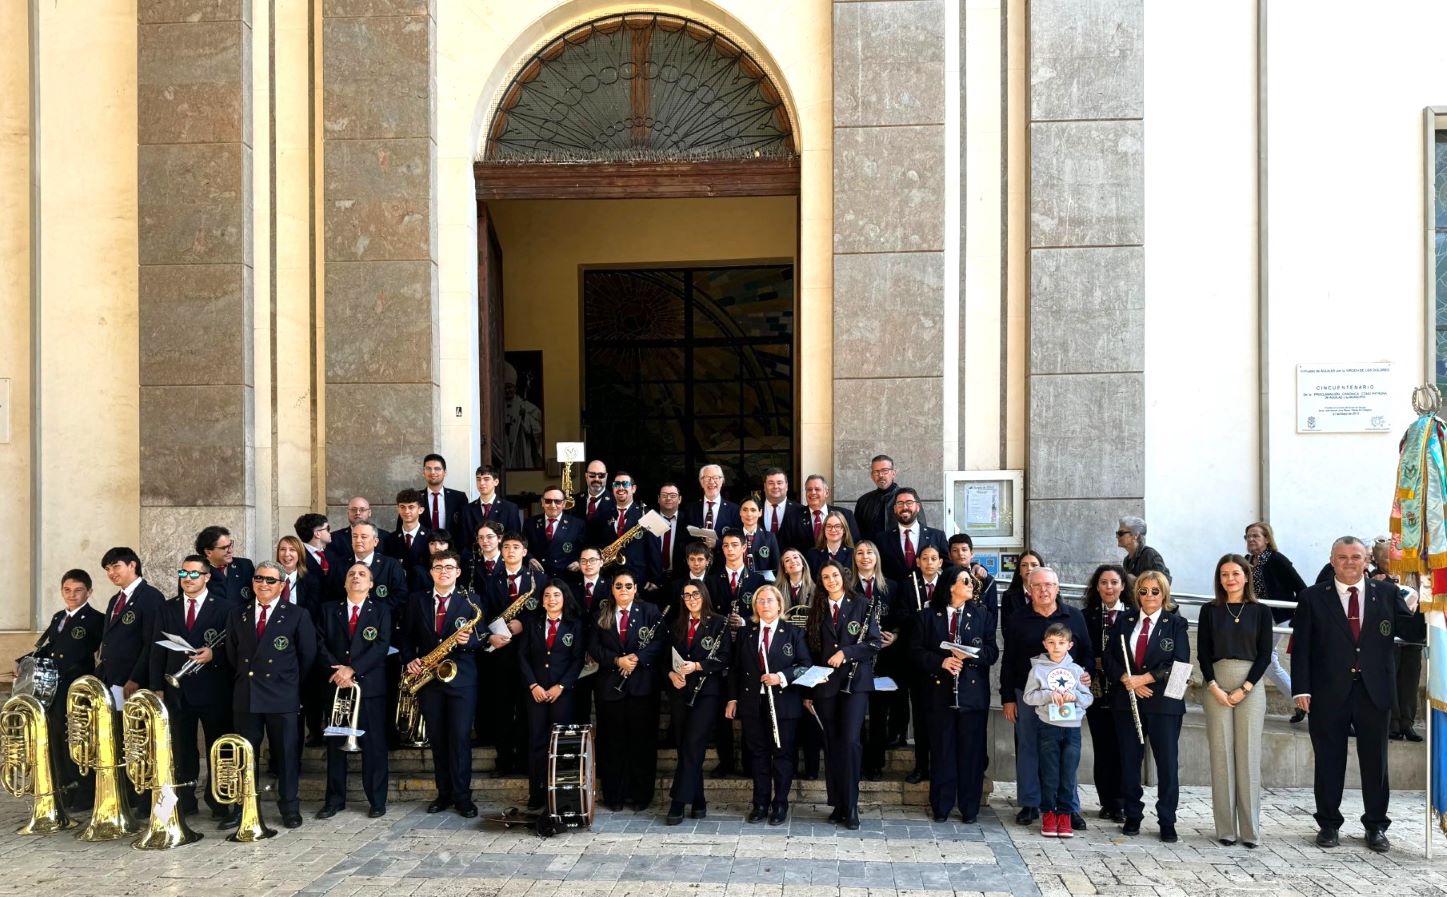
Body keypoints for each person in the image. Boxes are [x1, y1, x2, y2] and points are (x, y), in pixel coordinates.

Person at [1292, 536, 1419, 853]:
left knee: (1376, 764)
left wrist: (1430, 609)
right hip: (1326, 692)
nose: (1350, 562)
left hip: (1374, 692)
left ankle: (1376, 826)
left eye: (1356, 556)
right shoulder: (1312, 597)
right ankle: (1328, 824)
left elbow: (1412, 631)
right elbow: (1302, 647)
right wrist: (1301, 689)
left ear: (1367, 561)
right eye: (1343, 556)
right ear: (1332, 560)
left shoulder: (1388, 593)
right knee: (1328, 761)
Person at [224, 559, 317, 829]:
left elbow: (306, 656)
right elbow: (233, 653)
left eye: (270, 580)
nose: (263, 584)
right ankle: (243, 807)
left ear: (282, 585)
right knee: (245, 755)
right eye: (258, 579)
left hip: (282, 694)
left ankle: (289, 807)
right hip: (247, 694)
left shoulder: (297, 615)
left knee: (286, 754)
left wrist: (290, 686)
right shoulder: (237, 614)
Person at [1001, 566, 1092, 829]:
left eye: (1049, 585)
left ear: (1057, 587)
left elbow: (1086, 653)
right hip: (1029, 695)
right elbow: (1008, 660)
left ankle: (1069, 808)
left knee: (1066, 752)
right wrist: (1008, 697)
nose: (1043, 590)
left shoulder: (1073, 617)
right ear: (1028, 590)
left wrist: (1085, 676)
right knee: (1029, 747)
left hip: (1065, 697)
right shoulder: (1018, 618)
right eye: (1037, 586)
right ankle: (1030, 803)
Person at [1105, 570, 1189, 842]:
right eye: (1143, 591)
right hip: (1127, 701)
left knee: (1167, 765)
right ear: (1136, 593)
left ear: (1164, 594)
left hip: (1163, 704)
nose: (1149, 596)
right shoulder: (1125, 620)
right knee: (1129, 762)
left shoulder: (1175, 623)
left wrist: (1145, 679)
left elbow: (1181, 663)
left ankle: (1167, 820)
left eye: (1155, 591)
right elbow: (1109, 658)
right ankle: (1132, 815)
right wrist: (1127, 679)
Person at [1198, 554, 1274, 847]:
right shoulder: (1210, 611)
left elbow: (1265, 654)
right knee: (1221, 755)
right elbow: (1203, 653)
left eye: (1235, 573)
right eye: (1224, 574)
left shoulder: (1261, 612)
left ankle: (1251, 830)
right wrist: (1213, 685)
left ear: (1246, 576)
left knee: (1248, 755)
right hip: (1216, 680)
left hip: (1250, 684)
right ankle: (1226, 829)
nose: (1230, 579)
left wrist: (1246, 687)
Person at [149, 555, 232, 820]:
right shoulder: (167, 608)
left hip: (213, 690)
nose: (188, 578)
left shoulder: (225, 607)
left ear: (207, 576)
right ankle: (186, 801)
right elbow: (155, 649)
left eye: (194, 574)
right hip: (177, 690)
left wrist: (214, 655)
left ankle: (218, 802)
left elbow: (233, 648)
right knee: (182, 750)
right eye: (184, 573)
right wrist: (156, 688)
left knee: (217, 747)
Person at [400, 550, 480, 818]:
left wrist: (470, 642)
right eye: (438, 567)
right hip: (429, 681)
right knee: (438, 739)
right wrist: (410, 659)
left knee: (459, 739)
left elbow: (483, 640)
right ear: (431, 572)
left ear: (458, 572)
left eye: (449, 567)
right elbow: (407, 637)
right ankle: (443, 794)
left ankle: (463, 797)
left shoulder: (471, 601)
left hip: (461, 681)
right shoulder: (416, 600)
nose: (443, 571)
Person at [912, 567, 996, 823]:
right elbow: (915, 652)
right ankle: (941, 805)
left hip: (972, 694)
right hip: (939, 693)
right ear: (950, 586)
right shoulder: (927, 616)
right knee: (942, 751)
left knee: (971, 753)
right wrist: (942, 662)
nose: (971, 585)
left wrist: (971, 655)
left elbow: (992, 652)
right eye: (965, 581)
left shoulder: (982, 614)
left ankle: (970, 808)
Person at [725, 584, 812, 825]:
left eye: (769, 600)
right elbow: (735, 669)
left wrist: (781, 677)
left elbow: (804, 665)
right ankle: (760, 804)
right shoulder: (746, 633)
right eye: (760, 601)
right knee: (758, 755)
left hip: (784, 704)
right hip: (753, 703)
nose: (765, 605)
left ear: (779, 604)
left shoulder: (794, 633)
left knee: (782, 756)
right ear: (755, 606)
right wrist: (732, 699)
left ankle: (780, 805)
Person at [804, 561, 881, 829]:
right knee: (832, 743)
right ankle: (837, 804)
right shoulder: (818, 608)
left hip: (855, 684)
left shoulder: (862, 604)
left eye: (835, 575)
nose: (831, 580)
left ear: (843, 577)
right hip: (825, 686)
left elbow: (874, 643)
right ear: (821, 582)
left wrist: (846, 653)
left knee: (850, 742)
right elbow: (812, 651)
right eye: (825, 577)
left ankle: (851, 806)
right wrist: (809, 690)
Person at [316, 562, 391, 819]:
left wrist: (353, 669)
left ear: (371, 584)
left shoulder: (382, 611)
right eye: (351, 574)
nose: (356, 577)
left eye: (362, 574)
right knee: (336, 746)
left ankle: (377, 800)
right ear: (345, 583)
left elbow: (381, 646)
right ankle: (334, 800)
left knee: (374, 746)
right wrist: (339, 672)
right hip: (337, 686)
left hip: (369, 688)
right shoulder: (328, 610)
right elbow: (319, 643)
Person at [589, 571, 665, 811]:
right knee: (612, 743)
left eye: (628, 585)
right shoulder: (601, 614)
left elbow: (660, 642)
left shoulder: (651, 612)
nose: (623, 589)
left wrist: (638, 658)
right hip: (610, 688)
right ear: (612, 589)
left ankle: (641, 796)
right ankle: (614, 796)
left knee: (642, 742)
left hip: (642, 687)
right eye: (618, 585)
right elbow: (593, 647)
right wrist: (616, 661)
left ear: (635, 589)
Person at [34, 569, 104, 813]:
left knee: (77, 738)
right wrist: (24, 662)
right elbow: (49, 647)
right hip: (54, 687)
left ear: (89, 592)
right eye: (67, 590)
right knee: (56, 738)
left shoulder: (96, 619)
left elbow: (102, 654)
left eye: (78, 590)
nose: (72, 595)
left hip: (77, 687)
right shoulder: (57, 617)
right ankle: (66, 787)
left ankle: (86, 790)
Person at [664, 581, 731, 824]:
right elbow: (665, 660)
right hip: (680, 691)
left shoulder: (719, 623)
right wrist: (671, 674)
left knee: (693, 743)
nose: (691, 598)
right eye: (686, 595)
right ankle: (699, 800)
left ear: (704, 595)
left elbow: (724, 658)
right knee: (685, 746)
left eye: (695, 594)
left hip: (707, 693)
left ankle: (678, 802)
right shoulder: (675, 625)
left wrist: (698, 666)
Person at [518, 579, 587, 813]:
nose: (551, 600)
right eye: (547, 595)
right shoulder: (533, 622)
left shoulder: (574, 625)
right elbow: (522, 656)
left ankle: (560, 792)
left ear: (564, 598)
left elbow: (578, 659)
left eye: (556, 595)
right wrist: (533, 685)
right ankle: (536, 792)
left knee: (561, 745)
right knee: (537, 742)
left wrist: (562, 686)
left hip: (562, 694)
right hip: (536, 693)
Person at [1023, 622, 1094, 838]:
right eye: (1051, 643)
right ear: (1045, 643)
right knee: (1050, 773)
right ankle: (1048, 814)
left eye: (1061, 643)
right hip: (1048, 727)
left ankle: (1065, 814)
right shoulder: (1037, 669)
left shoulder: (1076, 670)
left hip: (1071, 729)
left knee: (1068, 774)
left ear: (1069, 645)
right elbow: (1028, 697)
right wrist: (1046, 694)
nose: (1056, 647)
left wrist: (1076, 697)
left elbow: (1088, 698)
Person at [477, 531, 540, 774]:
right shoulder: (490, 580)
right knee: (501, 710)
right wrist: (489, 636)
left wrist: (525, 623)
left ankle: (525, 760)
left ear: (524, 552)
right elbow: (480, 614)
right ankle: (503, 760)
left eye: (516, 546)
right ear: (501, 551)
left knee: (526, 711)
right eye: (507, 547)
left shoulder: (538, 579)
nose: (511, 550)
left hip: (529, 653)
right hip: (499, 654)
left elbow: (547, 612)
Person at [1081, 564, 1131, 822]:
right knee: (1103, 747)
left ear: (1123, 586)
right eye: (1104, 583)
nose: (1109, 588)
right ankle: (1107, 800)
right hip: (1097, 689)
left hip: (1125, 690)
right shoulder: (1086, 615)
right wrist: (1093, 663)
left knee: (1124, 746)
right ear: (1096, 587)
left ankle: (1122, 801)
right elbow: (1080, 649)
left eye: (1114, 582)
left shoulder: (1133, 615)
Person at [1243, 521, 1306, 722]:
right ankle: (1301, 702)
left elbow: (1301, 587)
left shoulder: (1277, 559)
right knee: (1267, 660)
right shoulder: (1246, 561)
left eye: (1256, 536)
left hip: (1281, 618)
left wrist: (1299, 614)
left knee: (1265, 658)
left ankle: (1303, 702)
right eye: (1248, 536)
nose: (1251, 540)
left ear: (1267, 539)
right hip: (1259, 618)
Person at [895, 544, 947, 783]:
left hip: (942, 659)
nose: (929, 562)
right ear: (917, 562)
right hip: (916, 657)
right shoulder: (907, 585)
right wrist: (923, 617)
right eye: (924, 558)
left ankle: (940, 765)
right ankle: (920, 766)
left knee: (940, 718)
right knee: (920, 714)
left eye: (933, 558)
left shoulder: (947, 584)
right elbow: (901, 615)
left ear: (940, 563)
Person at [1372, 538, 1427, 742]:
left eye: (1395, 555)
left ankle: (1408, 724)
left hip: (1412, 637)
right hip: (1389, 638)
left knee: (1410, 681)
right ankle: (1392, 724)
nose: (1392, 560)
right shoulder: (1373, 578)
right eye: (1386, 557)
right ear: (1377, 560)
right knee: (1390, 681)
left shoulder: (1415, 577)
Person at [856, 540, 900, 780]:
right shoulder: (849, 587)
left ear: (877, 557)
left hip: (885, 658)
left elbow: (901, 617)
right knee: (857, 713)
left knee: (879, 713)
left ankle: (876, 763)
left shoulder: (891, 586)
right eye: (860, 553)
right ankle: (860, 760)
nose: (865, 557)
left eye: (870, 552)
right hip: (858, 659)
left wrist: (895, 635)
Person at [585, 470, 661, 586]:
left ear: (633, 488)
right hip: (609, 580)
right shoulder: (602, 515)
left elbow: (655, 551)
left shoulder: (647, 514)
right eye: (616, 484)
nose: (621, 488)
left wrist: (654, 580)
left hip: (638, 580)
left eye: (625, 484)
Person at [878, 488, 947, 583]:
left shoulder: (937, 536)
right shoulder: (882, 539)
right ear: (895, 509)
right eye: (900, 503)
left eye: (909, 502)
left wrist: (972, 565)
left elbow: (950, 566)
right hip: (895, 596)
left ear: (918, 507)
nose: (904, 507)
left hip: (926, 595)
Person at [455, 464, 523, 547]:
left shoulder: (510, 508)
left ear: (496, 482)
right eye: (478, 479)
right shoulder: (467, 509)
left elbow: (514, 538)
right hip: (474, 557)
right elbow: (463, 541)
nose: (482, 483)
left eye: (486, 479)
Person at [706, 529, 765, 625]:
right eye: (726, 545)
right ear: (722, 548)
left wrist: (744, 621)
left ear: (744, 547)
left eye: (734, 545)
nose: (729, 549)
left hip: (748, 635)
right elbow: (707, 611)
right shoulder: (711, 580)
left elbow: (762, 611)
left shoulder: (758, 580)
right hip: (720, 634)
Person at [527, 487, 586, 578]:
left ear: (564, 503)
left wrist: (580, 561)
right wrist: (529, 559)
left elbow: (585, 548)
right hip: (539, 577)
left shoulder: (577, 524)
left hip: (566, 577)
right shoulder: (530, 523)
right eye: (548, 501)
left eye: (557, 501)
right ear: (542, 502)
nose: (553, 505)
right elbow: (523, 547)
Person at [680, 464, 741, 549]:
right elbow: (684, 539)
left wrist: (718, 543)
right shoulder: (691, 509)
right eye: (707, 478)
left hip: (723, 560)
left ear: (722, 481)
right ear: (701, 483)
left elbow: (738, 539)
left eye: (716, 478)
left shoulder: (734, 510)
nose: (711, 482)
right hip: (698, 561)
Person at [410, 453, 468, 544]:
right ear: (423, 472)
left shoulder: (459, 498)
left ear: (445, 472)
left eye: (437, 469)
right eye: (428, 469)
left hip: (451, 552)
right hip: (422, 552)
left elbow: (465, 528)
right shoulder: (414, 497)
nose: (432, 472)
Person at [797, 475, 861, 551]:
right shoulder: (794, 517)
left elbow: (855, 545)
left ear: (826, 493)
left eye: (817, 489)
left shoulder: (846, 515)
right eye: (809, 489)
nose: (813, 492)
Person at [196, 525, 257, 605]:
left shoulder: (245, 565)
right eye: (225, 548)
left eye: (230, 545)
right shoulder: (195, 572)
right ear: (208, 552)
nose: (230, 550)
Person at [761, 467, 810, 554]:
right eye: (771, 483)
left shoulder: (801, 511)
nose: (775, 486)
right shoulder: (754, 510)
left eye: (779, 483)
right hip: (762, 566)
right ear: (765, 487)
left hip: (791, 565)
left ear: (787, 486)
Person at [329, 496, 391, 563]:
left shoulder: (385, 536)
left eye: (362, 510)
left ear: (369, 513)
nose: (358, 513)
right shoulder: (334, 538)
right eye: (353, 509)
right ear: (348, 513)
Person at [854, 454, 901, 543]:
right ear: (872, 476)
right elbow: (856, 534)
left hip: (898, 554)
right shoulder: (863, 502)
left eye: (885, 471)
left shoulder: (907, 498)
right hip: (871, 555)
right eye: (876, 472)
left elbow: (919, 529)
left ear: (893, 474)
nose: (880, 475)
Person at [948, 534, 998, 615]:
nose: (960, 553)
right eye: (955, 550)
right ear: (949, 555)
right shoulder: (945, 578)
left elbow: (992, 614)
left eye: (964, 549)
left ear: (972, 553)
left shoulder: (987, 580)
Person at [736, 496, 780, 582]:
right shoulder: (733, 536)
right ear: (740, 512)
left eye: (753, 510)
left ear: (760, 512)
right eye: (745, 510)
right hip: (738, 583)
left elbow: (777, 567)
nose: (749, 514)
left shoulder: (769, 537)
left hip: (763, 585)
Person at [1000, 550, 1044, 630]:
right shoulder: (1008, 597)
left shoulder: (1051, 594)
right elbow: (1006, 629)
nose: (1029, 568)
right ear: (1019, 571)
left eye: (1034, 565)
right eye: (1024, 565)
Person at [1116, 516, 1170, 581]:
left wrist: (1136, 581)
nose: (1117, 536)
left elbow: (1165, 581)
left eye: (1120, 533)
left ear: (1135, 535)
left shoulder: (1149, 554)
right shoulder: (1127, 560)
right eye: (1117, 533)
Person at [806, 510, 856, 578]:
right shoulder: (813, 554)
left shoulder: (853, 554)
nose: (833, 530)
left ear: (844, 529)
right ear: (824, 529)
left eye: (837, 526)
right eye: (829, 526)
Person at [654, 482, 687, 581]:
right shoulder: (650, 519)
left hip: (681, 579)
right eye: (664, 495)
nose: (668, 498)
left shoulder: (688, 520)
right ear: (658, 499)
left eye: (673, 495)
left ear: (680, 499)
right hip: (653, 581)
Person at [295, 512, 333, 581]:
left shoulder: (332, 556)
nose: (330, 531)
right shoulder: (297, 557)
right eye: (328, 528)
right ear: (317, 534)